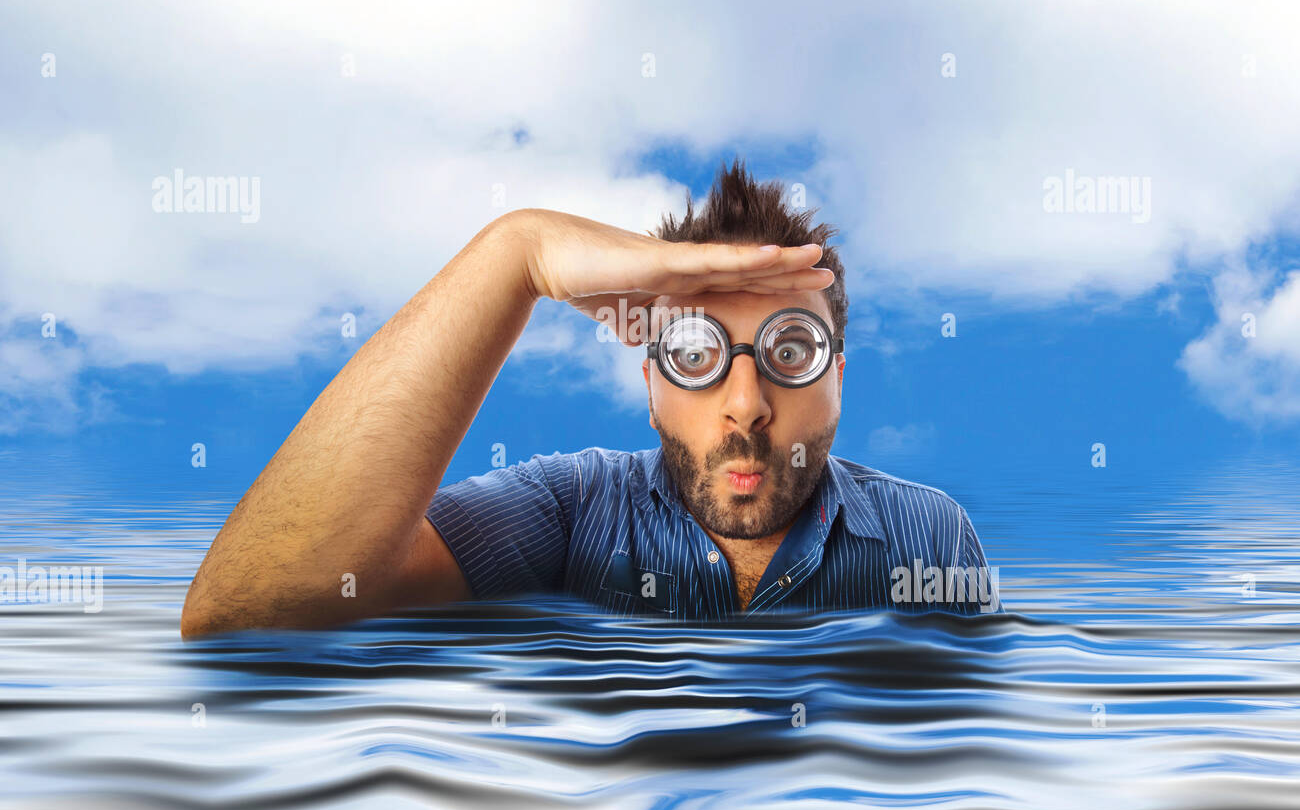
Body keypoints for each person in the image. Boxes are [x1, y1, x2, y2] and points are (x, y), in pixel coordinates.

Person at [181, 160, 1000, 637]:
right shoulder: (572, 510)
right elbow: (244, 608)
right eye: (695, 353)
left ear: (839, 378)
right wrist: (518, 254)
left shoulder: (926, 535)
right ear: (651, 387)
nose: (745, 403)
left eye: (791, 351)